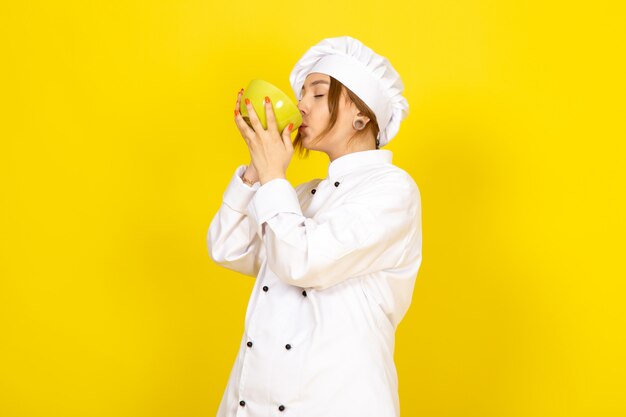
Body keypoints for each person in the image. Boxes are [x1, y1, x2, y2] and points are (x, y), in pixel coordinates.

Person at [207, 35, 422, 417]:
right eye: (301, 93)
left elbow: (303, 262)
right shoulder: (302, 196)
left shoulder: (392, 191)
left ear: (362, 114)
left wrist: (274, 175)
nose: (301, 105)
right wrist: (256, 172)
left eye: (318, 94)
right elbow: (227, 247)